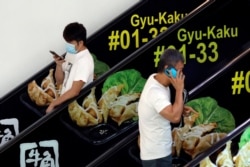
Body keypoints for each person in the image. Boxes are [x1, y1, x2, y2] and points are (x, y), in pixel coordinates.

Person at [138, 48, 189, 167]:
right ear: (167, 69)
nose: (181, 75)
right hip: (157, 156)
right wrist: (179, 89)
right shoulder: (156, 92)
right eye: (179, 71)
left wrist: (180, 108)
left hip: (157, 152)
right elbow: (175, 118)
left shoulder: (156, 79)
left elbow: (161, 109)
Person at [46, 22, 94, 113]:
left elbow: (75, 91)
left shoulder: (85, 61)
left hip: (74, 108)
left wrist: (53, 104)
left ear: (80, 43)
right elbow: (60, 81)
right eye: (66, 42)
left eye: (70, 43)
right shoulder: (71, 53)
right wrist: (59, 65)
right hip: (64, 103)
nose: (68, 46)